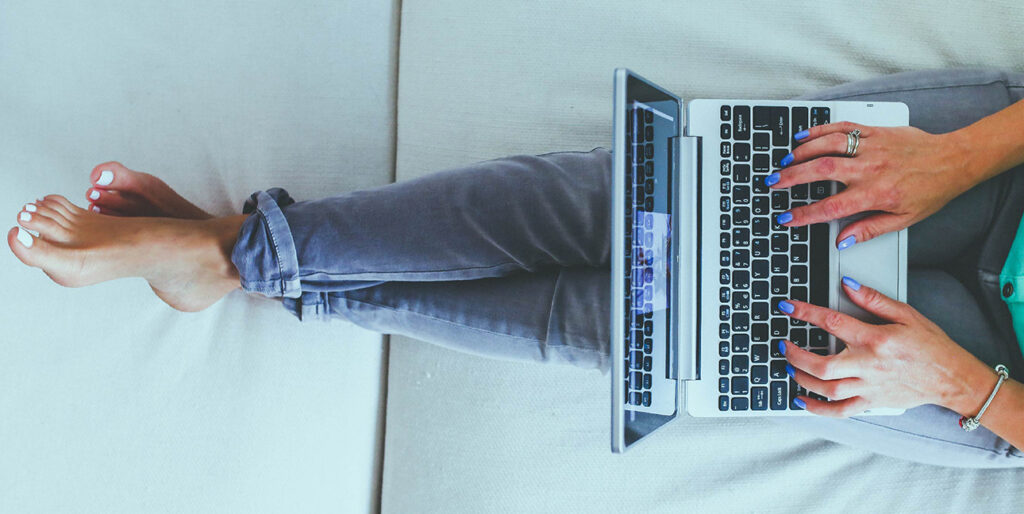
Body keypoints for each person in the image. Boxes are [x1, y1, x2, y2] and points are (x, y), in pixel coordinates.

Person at [8, 69, 1024, 468]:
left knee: (642, 327)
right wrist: (964, 154)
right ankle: (230, 257)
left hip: (996, 378)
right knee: (643, 207)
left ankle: (229, 255)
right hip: (1002, 176)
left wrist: (959, 385)